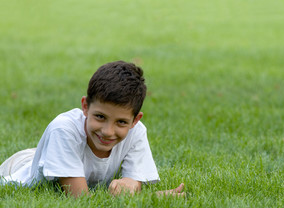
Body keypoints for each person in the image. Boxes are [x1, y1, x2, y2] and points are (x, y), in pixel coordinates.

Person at [0, 60, 184, 197]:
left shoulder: (137, 131)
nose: (107, 131)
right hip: (19, 163)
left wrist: (130, 185)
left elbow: (134, 182)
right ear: (85, 107)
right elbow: (80, 199)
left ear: (135, 120)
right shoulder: (63, 129)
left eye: (121, 122)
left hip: (63, 153)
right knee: (50, 153)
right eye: (100, 117)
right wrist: (153, 197)